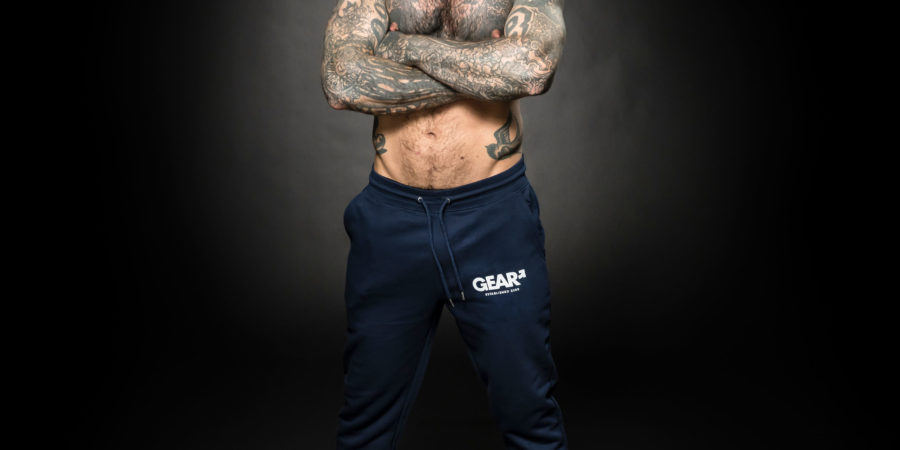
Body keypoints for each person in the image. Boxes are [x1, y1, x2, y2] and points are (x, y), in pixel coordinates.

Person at [321, 1, 568, 448]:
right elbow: (343, 81)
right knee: (364, 418)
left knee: (528, 411)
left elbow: (530, 69)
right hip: (391, 218)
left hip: (492, 219)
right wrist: (484, 72)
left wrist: (405, 48)